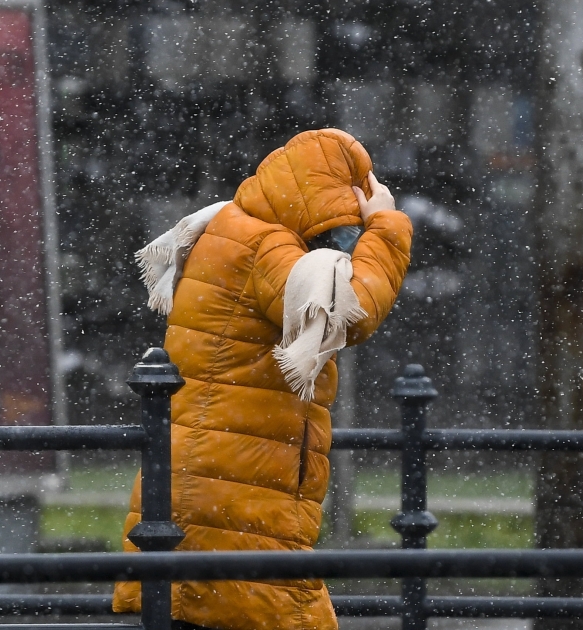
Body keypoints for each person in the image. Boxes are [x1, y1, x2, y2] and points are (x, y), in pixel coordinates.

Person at [114, 128, 413, 630]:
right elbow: (350, 312)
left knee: (199, 601)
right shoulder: (267, 247)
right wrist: (386, 226)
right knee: (274, 608)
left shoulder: (228, 227)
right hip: (239, 479)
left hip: (212, 468)